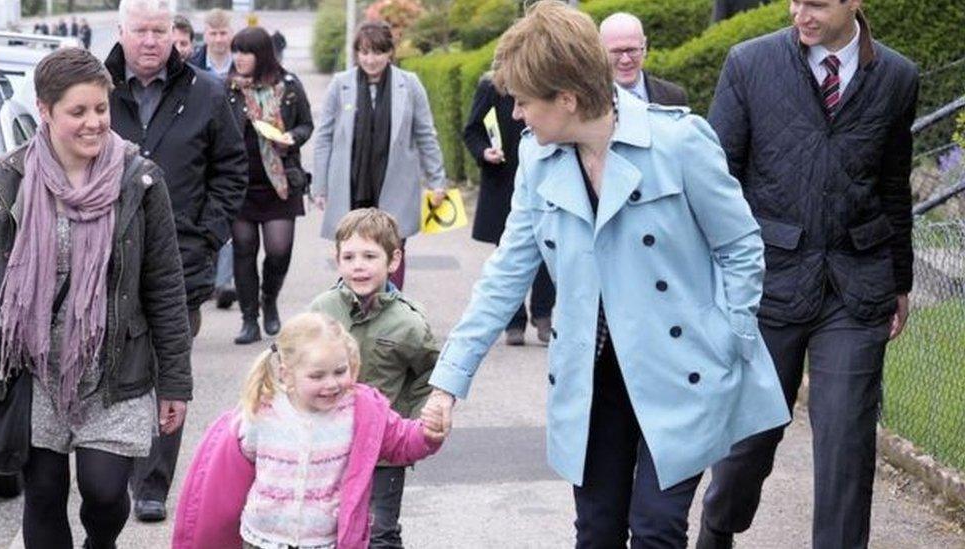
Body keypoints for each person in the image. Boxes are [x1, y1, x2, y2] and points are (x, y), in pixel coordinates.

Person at [420, 2, 790, 547]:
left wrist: (728, 338)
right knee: (595, 533)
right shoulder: (538, 161)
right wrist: (448, 382)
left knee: (657, 530)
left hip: (681, 368)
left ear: (566, 99)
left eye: (523, 102)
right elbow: (505, 276)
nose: (517, 114)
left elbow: (740, 246)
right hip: (591, 375)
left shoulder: (680, 142)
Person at [696, 0, 918, 547]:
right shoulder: (749, 63)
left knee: (846, 441)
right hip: (768, 284)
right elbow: (716, 176)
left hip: (856, 285)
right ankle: (717, 528)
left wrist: (900, 278)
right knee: (749, 441)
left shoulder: (896, 75)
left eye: (815, 2)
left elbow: (893, 183)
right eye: (794, 1)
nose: (801, 13)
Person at [0, 47, 191, 549]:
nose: (93, 122)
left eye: (100, 108)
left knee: (103, 494)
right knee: (42, 494)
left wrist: (176, 384)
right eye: (77, 111)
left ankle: (101, 543)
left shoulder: (139, 181)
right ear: (45, 110)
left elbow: (165, 286)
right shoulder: (6, 181)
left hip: (115, 369)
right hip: (31, 371)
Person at [105, 0, 248, 522]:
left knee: (169, 368)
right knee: (114, 370)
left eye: (159, 30)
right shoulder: (96, 91)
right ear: (120, 31)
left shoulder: (207, 93)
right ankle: (111, 470)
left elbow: (232, 169)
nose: (150, 40)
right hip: (106, 264)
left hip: (181, 261)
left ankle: (152, 484)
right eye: (140, 30)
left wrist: (209, 235)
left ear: (173, 34)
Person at [171, 313, 445, 549]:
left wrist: (428, 433)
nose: (332, 384)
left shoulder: (360, 411)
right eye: (317, 376)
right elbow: (228, 474)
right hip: (262, 539)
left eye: (340, 371)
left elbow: (401, 442)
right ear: (286, 374)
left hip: (324, 541)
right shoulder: (261, 413)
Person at [308, 208, 440, 548]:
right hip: (326, 444)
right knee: (328, 527)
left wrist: (413, 427)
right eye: (349, 256)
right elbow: (290, 363)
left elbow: (428, 375)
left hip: (384, 450)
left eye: (369, 256)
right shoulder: (321, 311)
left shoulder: (409, 323)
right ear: (337, 260)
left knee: (379, 531)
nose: (358, 265)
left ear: (393, 261)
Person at [312, 20, 447, 290]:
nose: (370, 60)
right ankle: (356, 311)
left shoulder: (409, 85)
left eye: (377, 52)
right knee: (353, 252)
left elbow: (425, 134)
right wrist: (320, 186)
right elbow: (324, 137)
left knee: (392, 251)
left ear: (390, 53)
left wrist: (437, 181)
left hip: (396, 184)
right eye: (363, 52)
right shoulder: (341, 85)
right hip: (351, 186)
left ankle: (390, 310)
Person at [226, 26, 313, 344]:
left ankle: (270, 301)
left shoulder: (288, 87)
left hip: (280, 183)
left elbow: (306, 123)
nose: (238, 58)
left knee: (279, 251)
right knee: (244, 250)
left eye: (245, 51)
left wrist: (294, 137)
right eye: (236, 51)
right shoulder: (229, 89)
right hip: (239, 184)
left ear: (261, 55)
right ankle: (249, 319)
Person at [463, 76, 555, 346]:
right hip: (503, 178)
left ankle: (543, 313)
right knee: (508, 252)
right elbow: (473, 130)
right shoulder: (491, 86)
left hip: (543, 173)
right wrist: (484, 152)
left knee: (548, 245)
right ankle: (514, 321)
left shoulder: (547, 82)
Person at [188, 9, 239, 308]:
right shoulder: (191, 67)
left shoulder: (243, 63)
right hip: (200, 151)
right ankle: (212, 277)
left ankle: (224, 282)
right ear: (204, 34)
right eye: (213, 34)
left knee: (227, 219)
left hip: (230, 150)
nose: (219, 40)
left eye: (223, 33)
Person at [599, 12, 687, 106]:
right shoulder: (588, 100)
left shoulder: (673, 96)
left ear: (644, 47)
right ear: (601, 51)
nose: (626, 60)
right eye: (616, 52)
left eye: (632, 50)